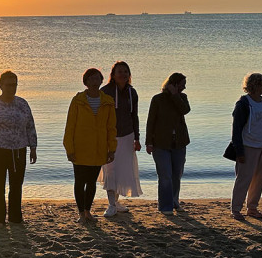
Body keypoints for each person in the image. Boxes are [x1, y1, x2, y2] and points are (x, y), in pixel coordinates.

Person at [0, 71, 38, 226]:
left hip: (19, 150)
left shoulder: (22, 104)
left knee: (16, 185)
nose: (12, 88)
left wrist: (33, 147)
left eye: (14, 85)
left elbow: (30, 126)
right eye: (9, 85)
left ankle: (15, 217)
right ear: (1, 86)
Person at [63, 68, 117, 223]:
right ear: (85, 82)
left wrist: (111, 148)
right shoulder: (78, 100)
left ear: (101, 81)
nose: (94, 82)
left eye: (97, 79)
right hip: (80, 148)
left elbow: (111, 127)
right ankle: (81, 213)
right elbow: (70, 126)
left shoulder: (107, 101)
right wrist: (69, 148)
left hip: (98, 149)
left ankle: (88, 211)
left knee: (91, 182)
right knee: (80, 182)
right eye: (91, 79)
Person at [230, 73, 262, 220]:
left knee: (260, 178)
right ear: (255, 85)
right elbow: (236, 128)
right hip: (248, 145)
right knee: (244, 178)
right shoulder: (243, 103)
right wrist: (239, 151)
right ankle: (236, 209)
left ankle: (252, 208)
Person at [99, 60, 143, 215]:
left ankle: (116, 202)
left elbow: (134, 116)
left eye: (125, 71)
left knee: (123, 170)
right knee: (110, 170)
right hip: (110, 137)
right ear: (113, 74)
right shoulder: (105, 91)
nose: (123, 74)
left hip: (127, 136)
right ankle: (111, 204)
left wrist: (137, 138)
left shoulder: (132, 92)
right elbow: (100, 117)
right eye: (120, 71)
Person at [145, 73, 190, 216]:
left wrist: (175, 95)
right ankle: (165, 206)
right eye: (182, 84)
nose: (185, 86)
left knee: (177, 174)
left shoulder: (182, 98)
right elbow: (150, 121)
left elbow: (185, 110)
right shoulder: (158, 99)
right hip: (160, 143)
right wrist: (148, 142)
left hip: (179, 143)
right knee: (165, 175)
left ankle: (174, 201)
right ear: (174, 84)